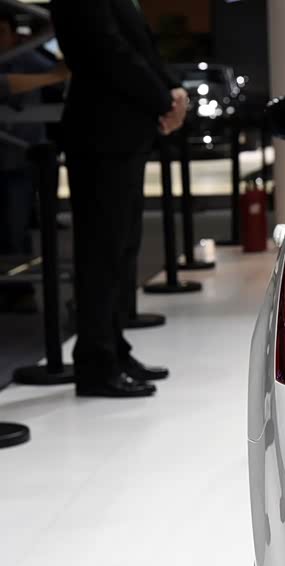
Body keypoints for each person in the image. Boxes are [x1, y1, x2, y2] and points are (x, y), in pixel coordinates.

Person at [51, 0, 189, 398]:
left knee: (121, 249)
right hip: (101, 133)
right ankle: (96, 362)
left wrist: (172, 91)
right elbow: (108, 51)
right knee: (102, 252)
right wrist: (163, 100)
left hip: (121, 132)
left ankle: (113, 349)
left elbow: (140, 47)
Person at [0, 9, 69, 313]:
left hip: (24, 158)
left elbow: (59, 75)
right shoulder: (25, 61)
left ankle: (19, 291)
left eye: (2, 32)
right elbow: (7, 85)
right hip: (15, 156)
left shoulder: (26, 57)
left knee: (17, 230)